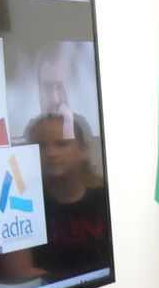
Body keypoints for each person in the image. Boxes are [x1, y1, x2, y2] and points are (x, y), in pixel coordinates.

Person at [27, 112, 108, 275]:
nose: (51, 153)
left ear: (83, 150)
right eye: (41, 146)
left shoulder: (105, 196)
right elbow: (18, 270)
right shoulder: (24, 201)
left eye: (61, 144)